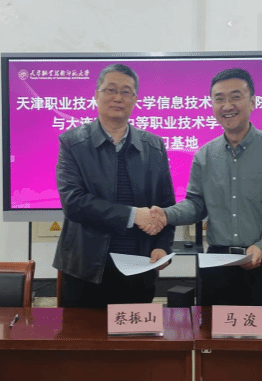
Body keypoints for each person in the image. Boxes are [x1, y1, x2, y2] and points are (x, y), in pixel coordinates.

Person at [147, 68, 262, 307]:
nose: (227, 105)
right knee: (215, 330)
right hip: (217, 268)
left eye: (236, 97)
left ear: (252, 102)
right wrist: (166, 215)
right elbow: (195, 205)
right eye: (219, 98)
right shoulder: (205, 155)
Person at [53, 64, 175, 308]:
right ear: (96, 95)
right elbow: (73, 203)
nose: (118, 97)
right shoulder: (73, 142)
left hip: (138, 268)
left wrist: (163, 247)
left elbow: (166, 205)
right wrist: (133, 215)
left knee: (134, 332)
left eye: (126, 91)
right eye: (111, 90)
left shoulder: (154, 146)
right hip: (85, 269)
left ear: (135, 99)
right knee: (82, 333)